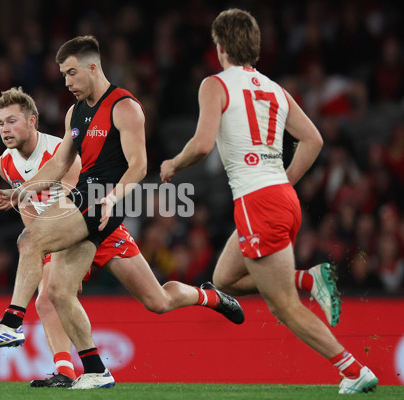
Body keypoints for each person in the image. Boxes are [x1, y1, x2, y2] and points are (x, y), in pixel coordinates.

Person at [0, 87, 245, 388]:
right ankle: (66, 371)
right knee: (49, 295)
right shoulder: (4, 164)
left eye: (12, 121)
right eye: (1, 123)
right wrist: (45, 250)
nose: (6, 129)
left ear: (32, 121)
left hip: (97, 226)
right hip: (59, 235)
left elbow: (78, 206)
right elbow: (30, 214)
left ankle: (208, 295)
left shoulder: (59, 152)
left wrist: (56, 250)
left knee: (158, 301)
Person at [160, 9, 377, 394]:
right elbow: (313, 140)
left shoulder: (214, 84)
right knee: (225, 280)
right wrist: (284, 183)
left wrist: (173, 164)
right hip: (279, 197)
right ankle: (310, 277)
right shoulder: (275, 88)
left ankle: (352, 369)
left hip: (258, 202)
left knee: (284, 306)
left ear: (221, 47)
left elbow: (203, 144)